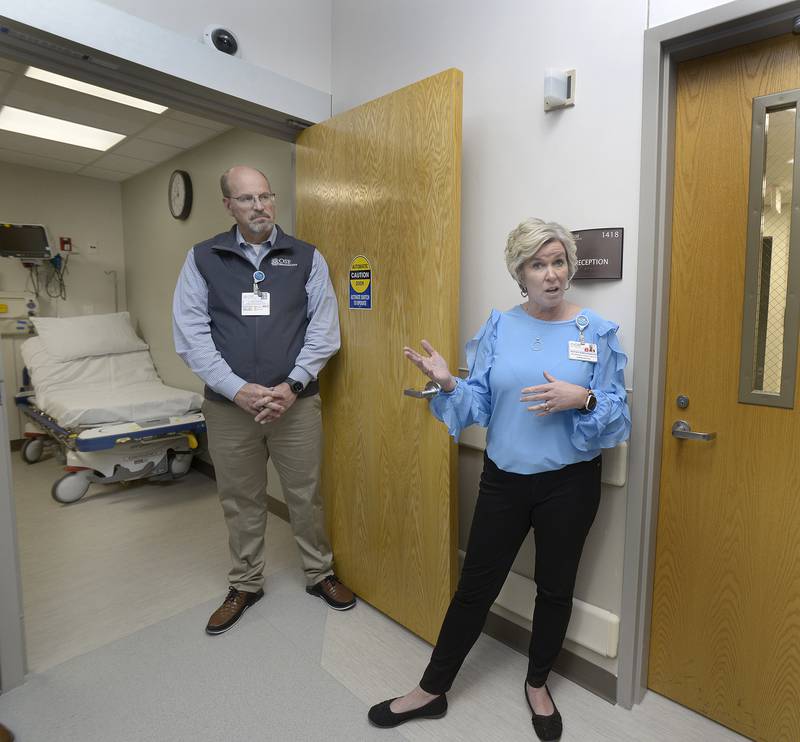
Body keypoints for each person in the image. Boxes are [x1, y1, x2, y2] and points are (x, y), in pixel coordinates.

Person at [368, 218, 630, 740]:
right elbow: (478, 406)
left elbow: (618, 414)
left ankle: (537, 683)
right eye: (538, 264)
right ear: (520, 273)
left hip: (570, 485)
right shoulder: (500, 328)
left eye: (559, 263)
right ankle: (432, 689)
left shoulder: (596, 332)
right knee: (474, 589)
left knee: (555, 590)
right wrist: (447, 383)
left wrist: (585, 398)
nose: (551, 275)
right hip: (504, 481)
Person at [173, 165, 355, 636]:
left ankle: (319, 574)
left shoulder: (306, 258)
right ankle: (245, 583)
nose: (259, 207)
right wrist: (238, 389)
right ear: (229, 205)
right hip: (228, 407)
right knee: (240, 498)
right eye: (247, 199)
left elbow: (323, 330)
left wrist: (291, 386)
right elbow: (191, 335)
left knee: (306, 495)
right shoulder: (203, 257)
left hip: (295, 404)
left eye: (265, 197)